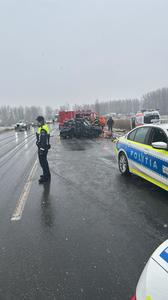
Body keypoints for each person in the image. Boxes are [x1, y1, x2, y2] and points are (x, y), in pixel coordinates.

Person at [36, 116, 51, 184]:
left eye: (38, 121)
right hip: (44, 148)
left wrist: (41, 150)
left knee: (43, 163)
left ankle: (45, 177)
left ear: (41, 121)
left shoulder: (43, 129)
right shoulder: (42, 127)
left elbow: (43, 141)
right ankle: (47, 174)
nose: (37, 123)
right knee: (45, 162)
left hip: (43, 148)